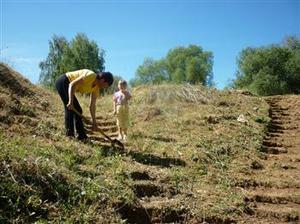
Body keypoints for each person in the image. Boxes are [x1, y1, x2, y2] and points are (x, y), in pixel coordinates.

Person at [55, 69, 114, 141]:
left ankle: (81, 137)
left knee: (78, 110)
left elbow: (92, 106)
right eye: (106, 85)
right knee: (70, 109)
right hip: (64, 81)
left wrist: (94, 122)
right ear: (103, 80)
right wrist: (70, 101)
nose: (105, 88)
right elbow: (72, 84)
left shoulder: (96, 89)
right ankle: (70, 136)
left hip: (69, 87)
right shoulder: (91, 76)